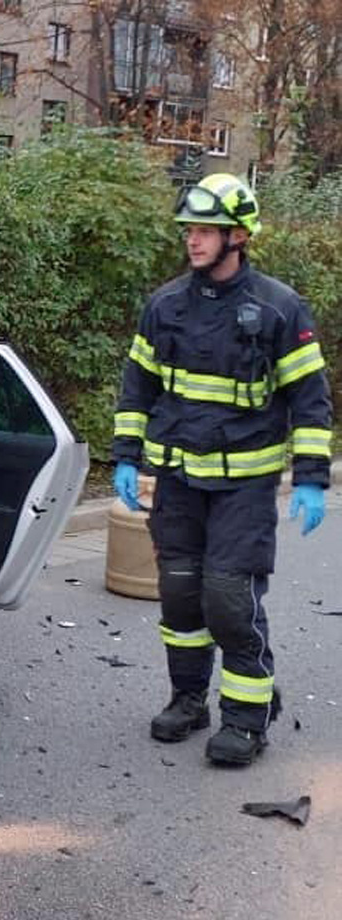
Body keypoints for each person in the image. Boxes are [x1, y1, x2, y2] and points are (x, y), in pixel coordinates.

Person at [111, 173, 332, 766]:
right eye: (190, 230)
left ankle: (247, 720)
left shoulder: (281, 309)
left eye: (206, 230)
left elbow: (311, 400)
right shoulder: (165, 307)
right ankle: (189, 701)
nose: (193, 240)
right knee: (181, 599)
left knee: (230, 599)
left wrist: (312, 477)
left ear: (239, 235)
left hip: (245, 489)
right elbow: (137, 389)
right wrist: (126, 459)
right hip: (180, 482)